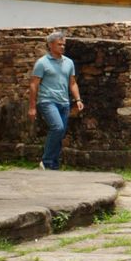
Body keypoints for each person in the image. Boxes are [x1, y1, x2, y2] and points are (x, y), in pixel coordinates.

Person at [29, 30, 83, 170]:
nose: (63, 47)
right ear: (51, 45)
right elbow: (34, 84)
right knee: (57, 127)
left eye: (63, 44)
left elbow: (72, 83)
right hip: (47, 101)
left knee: (60, 132)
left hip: (64, 102)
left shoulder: (69, 63)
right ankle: (46, 161)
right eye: (59, 44)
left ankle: (53, 164)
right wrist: (32, 107)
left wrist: (78, 99)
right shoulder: (42, 63)